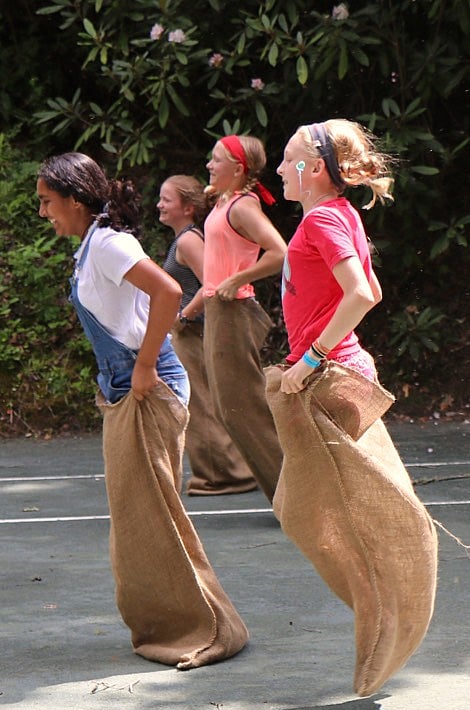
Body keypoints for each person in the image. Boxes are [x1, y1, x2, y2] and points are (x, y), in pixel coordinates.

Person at [36, 153, 247, 669]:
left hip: (146, 387)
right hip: (124, 387)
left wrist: (147, 364)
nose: (43, 213)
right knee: (138, 517)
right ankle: (170, 621)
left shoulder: (108, 243)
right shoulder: (93, 245)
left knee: (154, 514)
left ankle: (209, 628)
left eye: (46, 202)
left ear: (75, 198)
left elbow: (169, 291)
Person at [265, 120, 438, 696]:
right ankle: (381, 613)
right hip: (335, 373)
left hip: (330, 379)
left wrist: (308, 362)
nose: (281, 170)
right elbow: (373, 290)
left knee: (327, 515)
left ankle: (383, 619)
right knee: (311, 510)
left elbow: (362, 295)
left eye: (288, 161)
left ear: (313, 170)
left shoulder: (321, 217)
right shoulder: (339, 215)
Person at [199, 134, 288, 501]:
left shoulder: (242, 207)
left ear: (237, 169)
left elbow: (280, 251)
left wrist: (237, 277)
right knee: (231, 408)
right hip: (218, 309)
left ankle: (294, 493)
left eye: (216, 160)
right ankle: (288, 493)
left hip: (232, 309)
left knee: (242, 409)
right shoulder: (228, 201)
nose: (209, 164)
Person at [156, 174, 257, 496]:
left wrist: (184, 318)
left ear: (186, 207)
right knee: (200, 401)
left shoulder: (188, 240)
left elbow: (211, 281)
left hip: (194, 332)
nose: (159, 204)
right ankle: (224, 471)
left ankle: (225, 475)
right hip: (190, 331)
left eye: (166, 199)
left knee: (200, 403)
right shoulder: (183, 239)